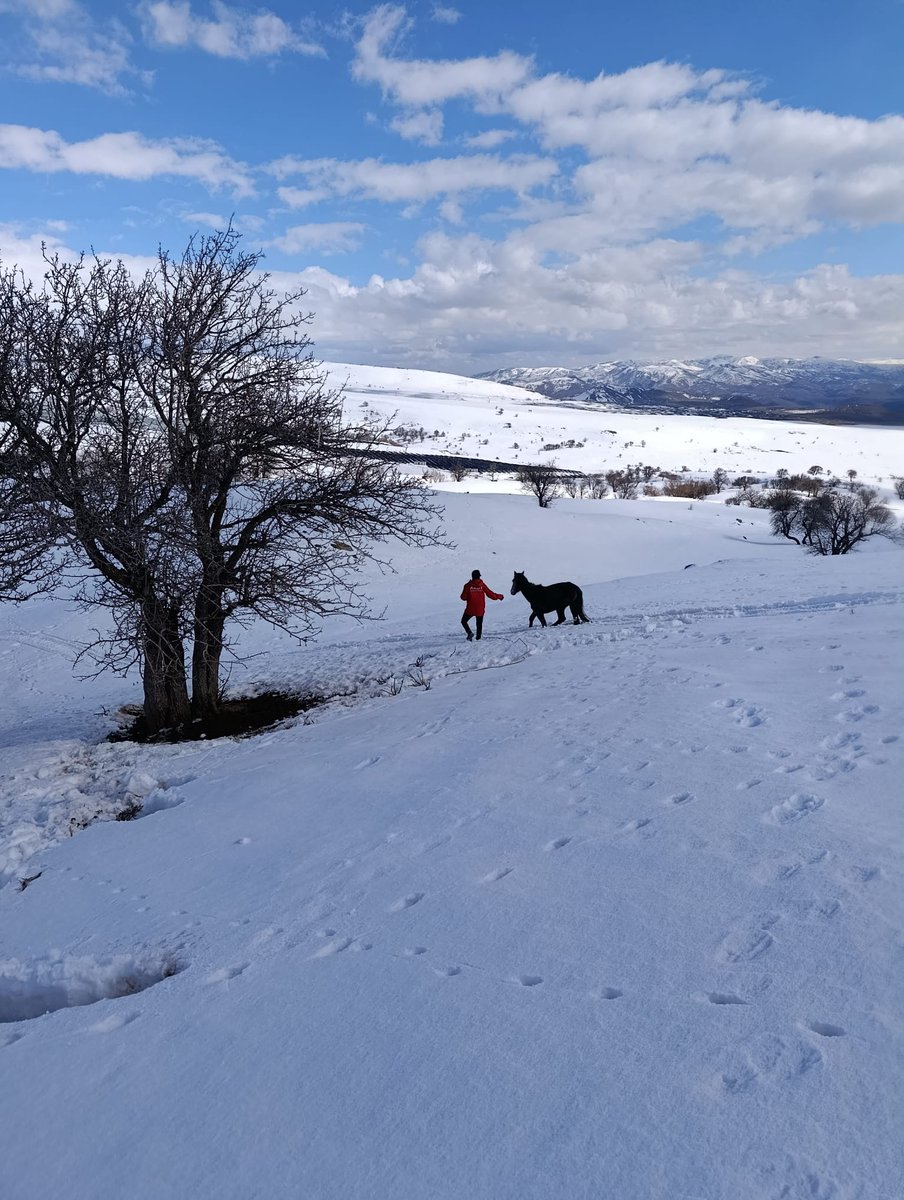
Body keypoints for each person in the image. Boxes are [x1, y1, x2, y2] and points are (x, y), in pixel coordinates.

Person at [460, 569, 503, 640]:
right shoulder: (482, 585)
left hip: (470, 609)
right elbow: (490, 594)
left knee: (463, 621)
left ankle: (469, 633)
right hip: (480, 609)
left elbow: (463, 597)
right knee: (479, 624)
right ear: (479, 576)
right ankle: (478, 638)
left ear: (472, 576)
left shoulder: (467, 586)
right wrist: (499, 596)